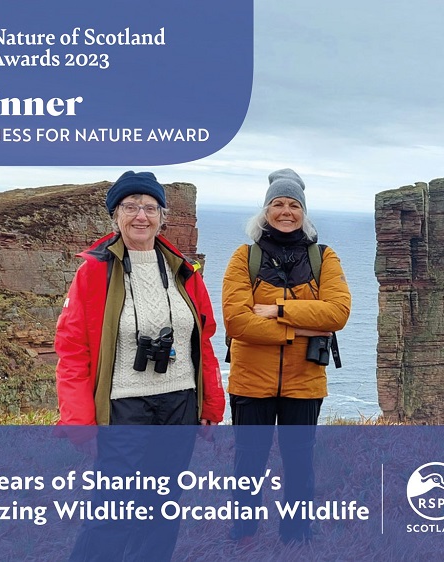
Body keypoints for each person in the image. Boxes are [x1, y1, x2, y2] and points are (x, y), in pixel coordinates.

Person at [54, 171, 225, 560]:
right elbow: (72, 349)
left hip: (179, 404)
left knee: (163, 509)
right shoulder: (94, 271)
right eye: (130, 206)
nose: (140, 216)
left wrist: (212, 403)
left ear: (162, 217)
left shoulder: (184, 270)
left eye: (150, 207)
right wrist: (79, 420)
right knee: (112, 510)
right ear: (115, 215)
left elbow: (202, 339)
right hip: (124, 407)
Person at [223, 168, 351, 545]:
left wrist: (277, 310)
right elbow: (237, 321)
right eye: (277, 204)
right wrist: (300, 330)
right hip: (250, 383)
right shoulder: (244, 257)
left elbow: (337, 313)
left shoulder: (323, 257)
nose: (285, 211)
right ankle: (244, 534)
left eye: (294, 205)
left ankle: (295, 536)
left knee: (299, 465)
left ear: (303, 213)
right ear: (265, 211)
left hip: (304, 382)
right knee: (248, 465)